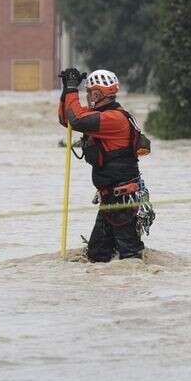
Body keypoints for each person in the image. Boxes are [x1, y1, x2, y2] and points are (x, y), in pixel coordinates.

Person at [58, 67, 153, 262]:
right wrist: (66, 90)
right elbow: (66, 119)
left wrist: (72, 88)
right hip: (110, 199)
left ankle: (135, 288)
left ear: (97, 93)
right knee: (98, 256)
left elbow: (76, 120)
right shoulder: (101, 116)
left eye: (89, 93)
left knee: (130, 256)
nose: (87, 97)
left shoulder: (112, 119)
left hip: (122, 199)